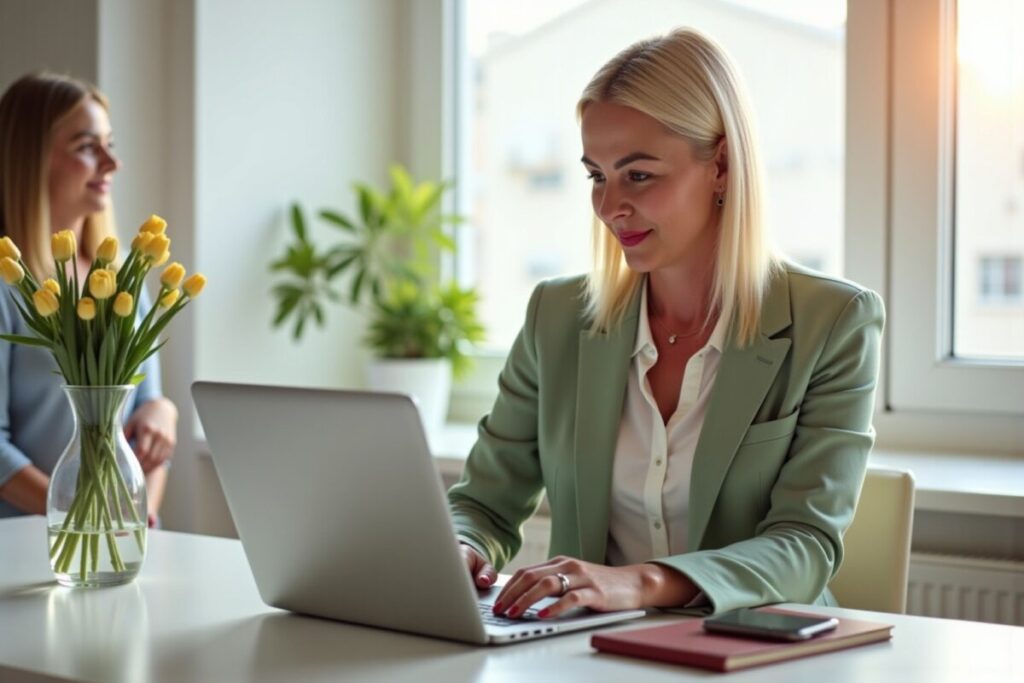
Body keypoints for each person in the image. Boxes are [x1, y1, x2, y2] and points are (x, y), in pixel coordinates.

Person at [448, 28, 884, 619]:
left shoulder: (833, 323)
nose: (609, 207)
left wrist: (640, 583)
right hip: (583, 649)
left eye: (639, 175)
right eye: (597, 176)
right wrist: (462, 546)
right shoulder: (555, 317)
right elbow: (484, 504)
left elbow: (805, 545)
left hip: (754, 645)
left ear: (721, 166)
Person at [0, 73, 178, 525]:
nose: (112, 163)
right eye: (86, 146)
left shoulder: (124, 279)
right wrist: (82, 516)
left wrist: (163, 414)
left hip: (117, 535)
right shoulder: (6, 286)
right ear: (30, 159)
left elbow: (146, 417)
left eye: (109, 144)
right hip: (24, 541)